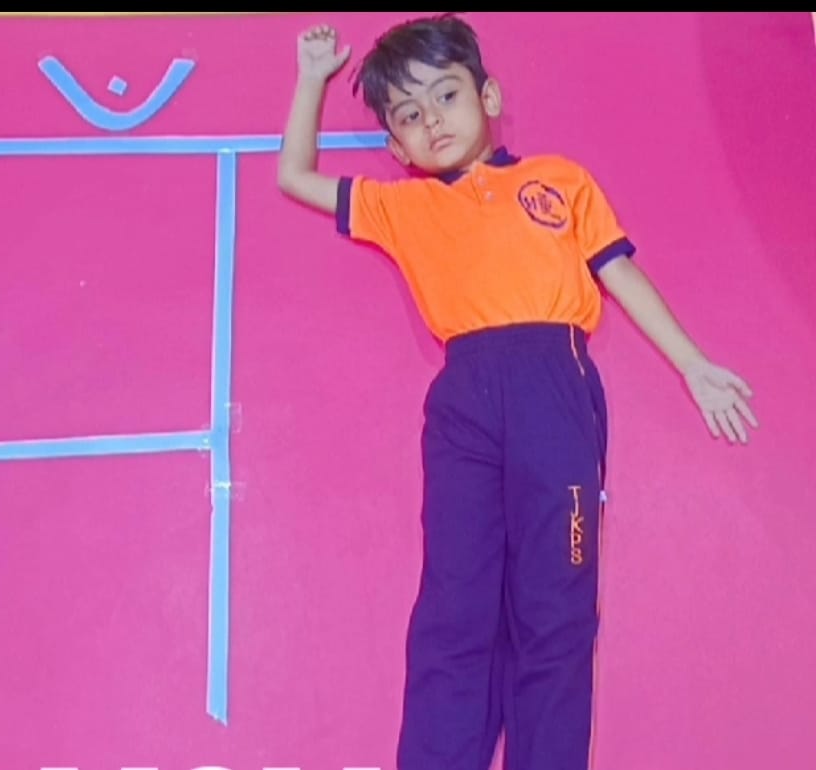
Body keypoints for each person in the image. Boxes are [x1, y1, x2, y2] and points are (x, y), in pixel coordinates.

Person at [276, 13, 758, 770]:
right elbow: (294, 176)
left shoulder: (560, 181)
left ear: (489, 96)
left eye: (446, 95)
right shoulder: (401, 206)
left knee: (555, 604)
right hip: (464, 401)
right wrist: (311, 79)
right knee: (455, 603)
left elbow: (620, 272)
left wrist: (692, 365)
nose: (433, 121)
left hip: (553, 388)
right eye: (410, 115)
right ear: (396, 148)